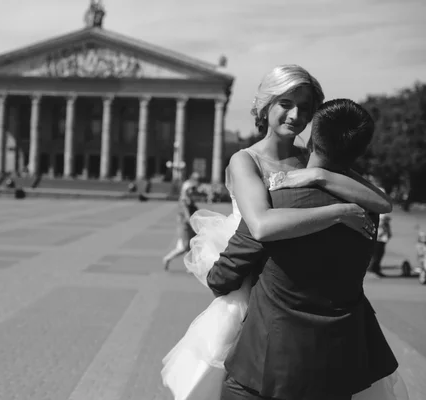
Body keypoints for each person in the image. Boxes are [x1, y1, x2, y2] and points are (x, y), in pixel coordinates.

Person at [161, 65, 393, 400]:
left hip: (303, 300)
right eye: (286, 103)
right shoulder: (246, 160)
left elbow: (381, 202)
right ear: (266, 104)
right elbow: (260, 226)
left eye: (306, 107)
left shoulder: (313, 161)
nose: (296, 115)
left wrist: (320, 177)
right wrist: (339, 211)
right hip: (254, 295)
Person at [210, 99, 404, 399]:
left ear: (311, 139)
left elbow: (221, 277)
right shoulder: (367, 209)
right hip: (336, 368)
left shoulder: (275, 202)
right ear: (360, 152)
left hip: (265, 367)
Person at [163, 172, 200, 271]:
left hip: (188, 226)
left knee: (187, 246)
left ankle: (188, 265)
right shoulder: (184, 200)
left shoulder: (189, 199)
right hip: (185, 226)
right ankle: (168, 259)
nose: (193, 191)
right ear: (186, 189)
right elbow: (187, 216)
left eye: (193, 189)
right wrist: (196, 224)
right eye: (191, 189)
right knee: (185, 247)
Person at [368, 212, 392, 277]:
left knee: (379, 255)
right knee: (376, 256)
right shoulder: (380, 223)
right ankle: (373, 269)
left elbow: (388, 233)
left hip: (381, 241)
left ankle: (375, 269)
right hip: (378, 240)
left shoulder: (385, 224)